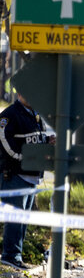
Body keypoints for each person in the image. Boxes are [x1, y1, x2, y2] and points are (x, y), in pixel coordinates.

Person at [0, 92, 51, 268]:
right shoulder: (10, 115)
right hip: (14, 174)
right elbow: (5, 141)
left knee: (23, 218)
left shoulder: (35, 115)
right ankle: (10, 255)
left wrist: (48, 142)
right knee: (15, 218)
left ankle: (17, 255)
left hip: (31, 175)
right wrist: (24, 158)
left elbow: (36, 139)